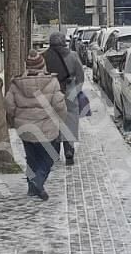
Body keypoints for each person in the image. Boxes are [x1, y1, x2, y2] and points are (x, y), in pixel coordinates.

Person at [5, 52, 66, 200]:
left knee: (31, 158)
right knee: (49, 157)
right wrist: (61, 121)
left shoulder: (16, 83)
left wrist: (15, 119)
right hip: (47, 128)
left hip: (25, 129)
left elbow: (8, 104)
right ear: (42, 65)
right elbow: (59, 106)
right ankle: (37, 181)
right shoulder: (52, 82)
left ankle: (32, 189)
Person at [45, 29, 84, 165]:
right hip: (69, 91)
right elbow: (80, 77)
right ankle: (69, 151)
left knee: (53, 121)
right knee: (70, 120)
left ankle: (54, 153)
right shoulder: (72, 56)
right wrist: (75, 91)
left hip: (51, 93)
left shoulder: (45, 56)